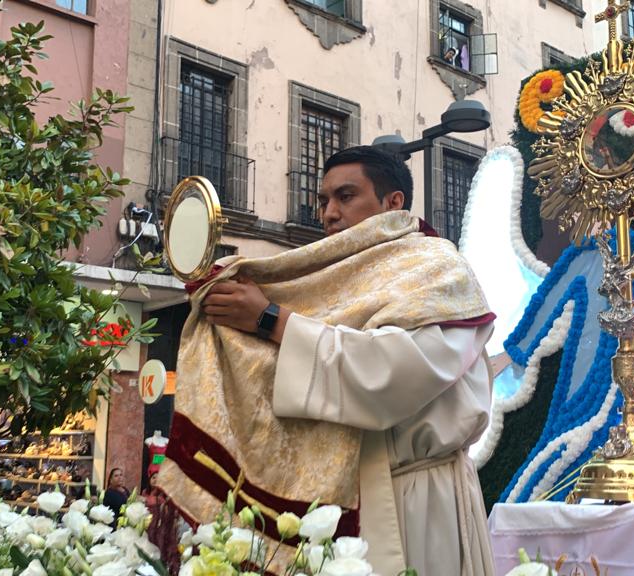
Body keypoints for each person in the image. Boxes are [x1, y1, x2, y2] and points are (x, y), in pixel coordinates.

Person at [201, 146, 495, 576]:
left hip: (421, 499)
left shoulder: (439, 270)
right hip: (345, 497)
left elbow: (393, 375)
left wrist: (269, 319)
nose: (329, 214)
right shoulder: (334, 279)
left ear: (393, 203)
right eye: (323, 201)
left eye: (345, 196)